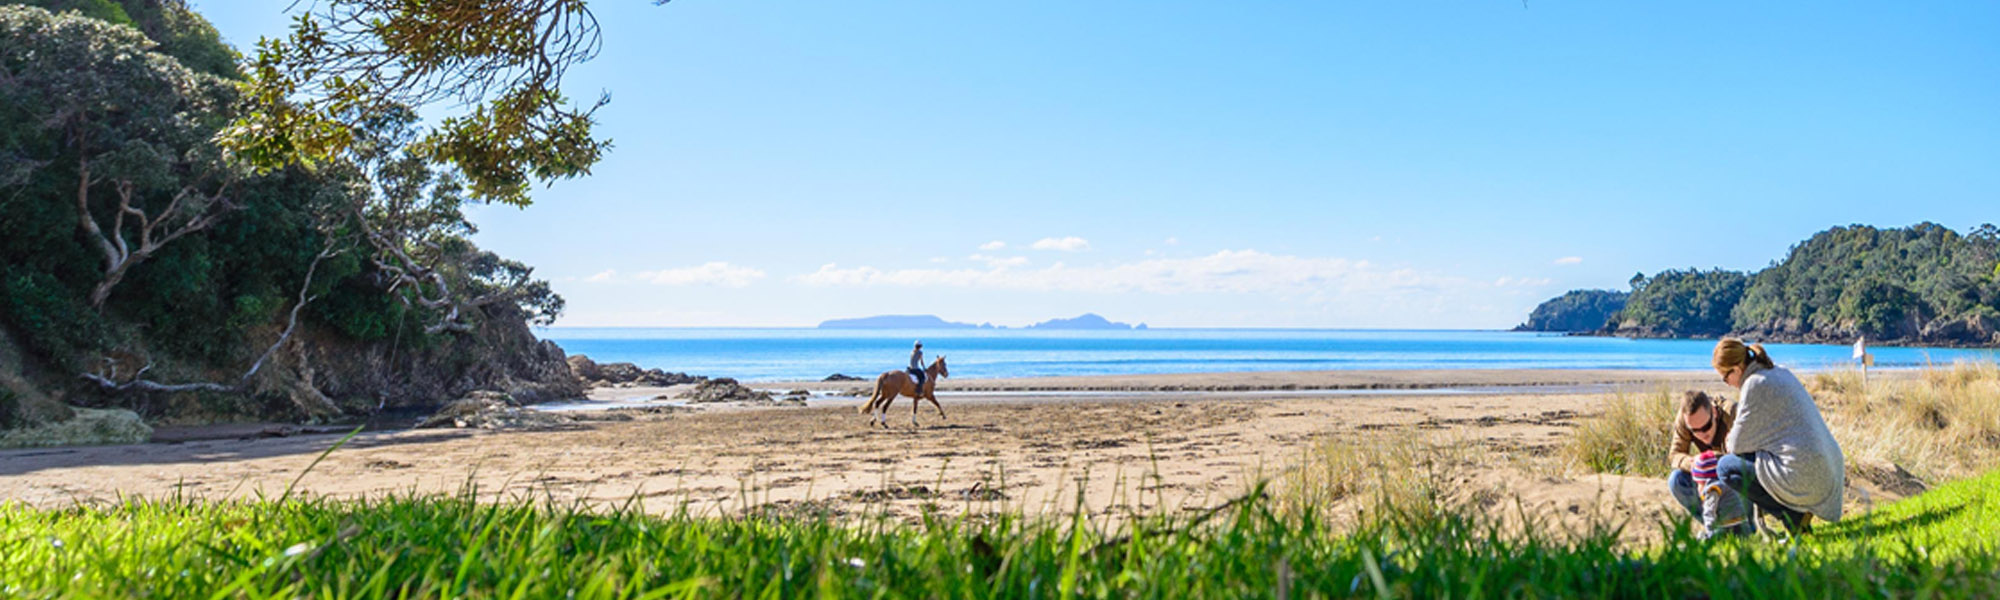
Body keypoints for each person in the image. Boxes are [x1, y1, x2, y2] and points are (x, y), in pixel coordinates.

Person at [1714, 338, 1845, 534]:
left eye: (1725, 377)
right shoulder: (1780, 372)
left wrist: (1734, 438)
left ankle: (1793, 518)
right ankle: (1796, 516)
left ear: (1738, 368)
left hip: (1807, 475)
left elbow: (1735, 445)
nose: (1727, 384)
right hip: (1829, 471)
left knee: (1726, 467)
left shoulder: (1754, 384)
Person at [1667, 391, 1736, 520]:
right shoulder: (1685, 418)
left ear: (1714, 413)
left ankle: (1745, 527)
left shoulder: (1732, 413)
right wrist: (1694, 464)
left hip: (1732, 475)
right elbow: (1675, 455)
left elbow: (1746, 457)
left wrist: (1710, 459)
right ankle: (1715, 527)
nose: (1702, 434)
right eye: (1694, 431)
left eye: (1706, 427)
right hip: (1705, 473)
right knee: (1676, 480)